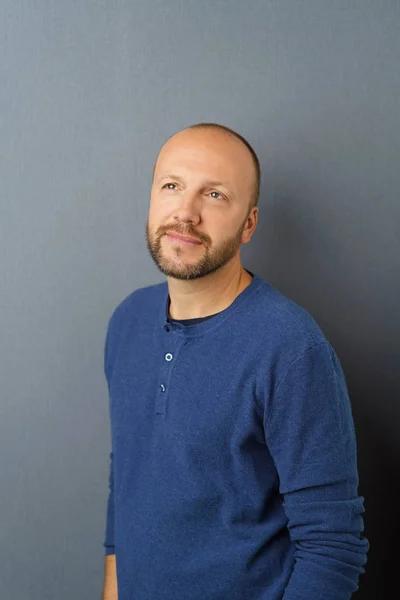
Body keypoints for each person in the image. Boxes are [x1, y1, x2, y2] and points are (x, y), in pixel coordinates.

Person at [101, 123, 369, 600]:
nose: (186, 213)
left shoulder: (290, 347)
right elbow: (127, 479)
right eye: (172, 186)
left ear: (249, 223)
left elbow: (333, 545)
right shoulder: (127, 321)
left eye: (216, 195)